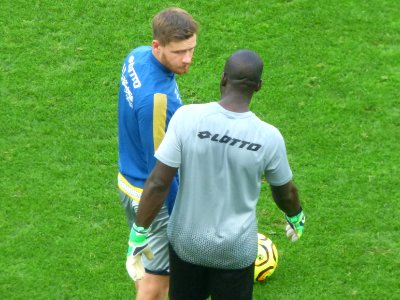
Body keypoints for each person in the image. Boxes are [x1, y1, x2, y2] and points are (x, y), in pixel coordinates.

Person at [127, 49, 306, 299]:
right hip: (235, 252)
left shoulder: (186, 118)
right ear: (259, 87)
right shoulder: (269, 138)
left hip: (186, 244)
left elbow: (159, 182)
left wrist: (139, 233)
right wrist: (295, 216)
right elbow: (285, 193)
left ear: (223, 78)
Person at [117, 7, 198, 300]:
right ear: (157, 46)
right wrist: (182, 218)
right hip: (153, 201)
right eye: (179, 52)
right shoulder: (156, 101)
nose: (187, 59)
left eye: (191, 49)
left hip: (129, 182)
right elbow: (162, 172)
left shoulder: (136, 56)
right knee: (156, 286)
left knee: (146, 270)